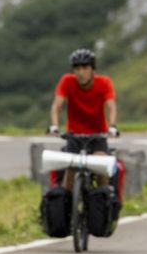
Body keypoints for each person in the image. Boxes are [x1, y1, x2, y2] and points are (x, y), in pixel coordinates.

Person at [48, 48, 120, 187]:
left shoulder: (104, 83)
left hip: (98, 136)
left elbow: (111, 106)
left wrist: (112, 126)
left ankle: (102, 200)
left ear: (93, 69)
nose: (81, 72)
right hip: (74, 136)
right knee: (70, 170)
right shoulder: (67, 81)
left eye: (85, 67)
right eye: (77, 68)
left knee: (101, 169)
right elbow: (56, 105)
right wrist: (55, 126)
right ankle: (68, 204)